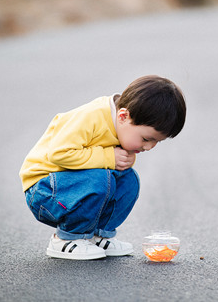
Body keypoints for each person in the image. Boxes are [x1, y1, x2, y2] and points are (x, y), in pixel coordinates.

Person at [20, 75, 186, 260]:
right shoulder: (90, 117)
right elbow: (59, 153)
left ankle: (98, 236)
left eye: (157, 142)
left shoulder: (123, 127)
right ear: (123, 116)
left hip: (72, 187)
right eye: (146, 139)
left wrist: (121, 161)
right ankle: (66, 239)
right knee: (100, 179)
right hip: (44, 190)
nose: (148, 147)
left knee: (128, 179)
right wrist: (109, 157)